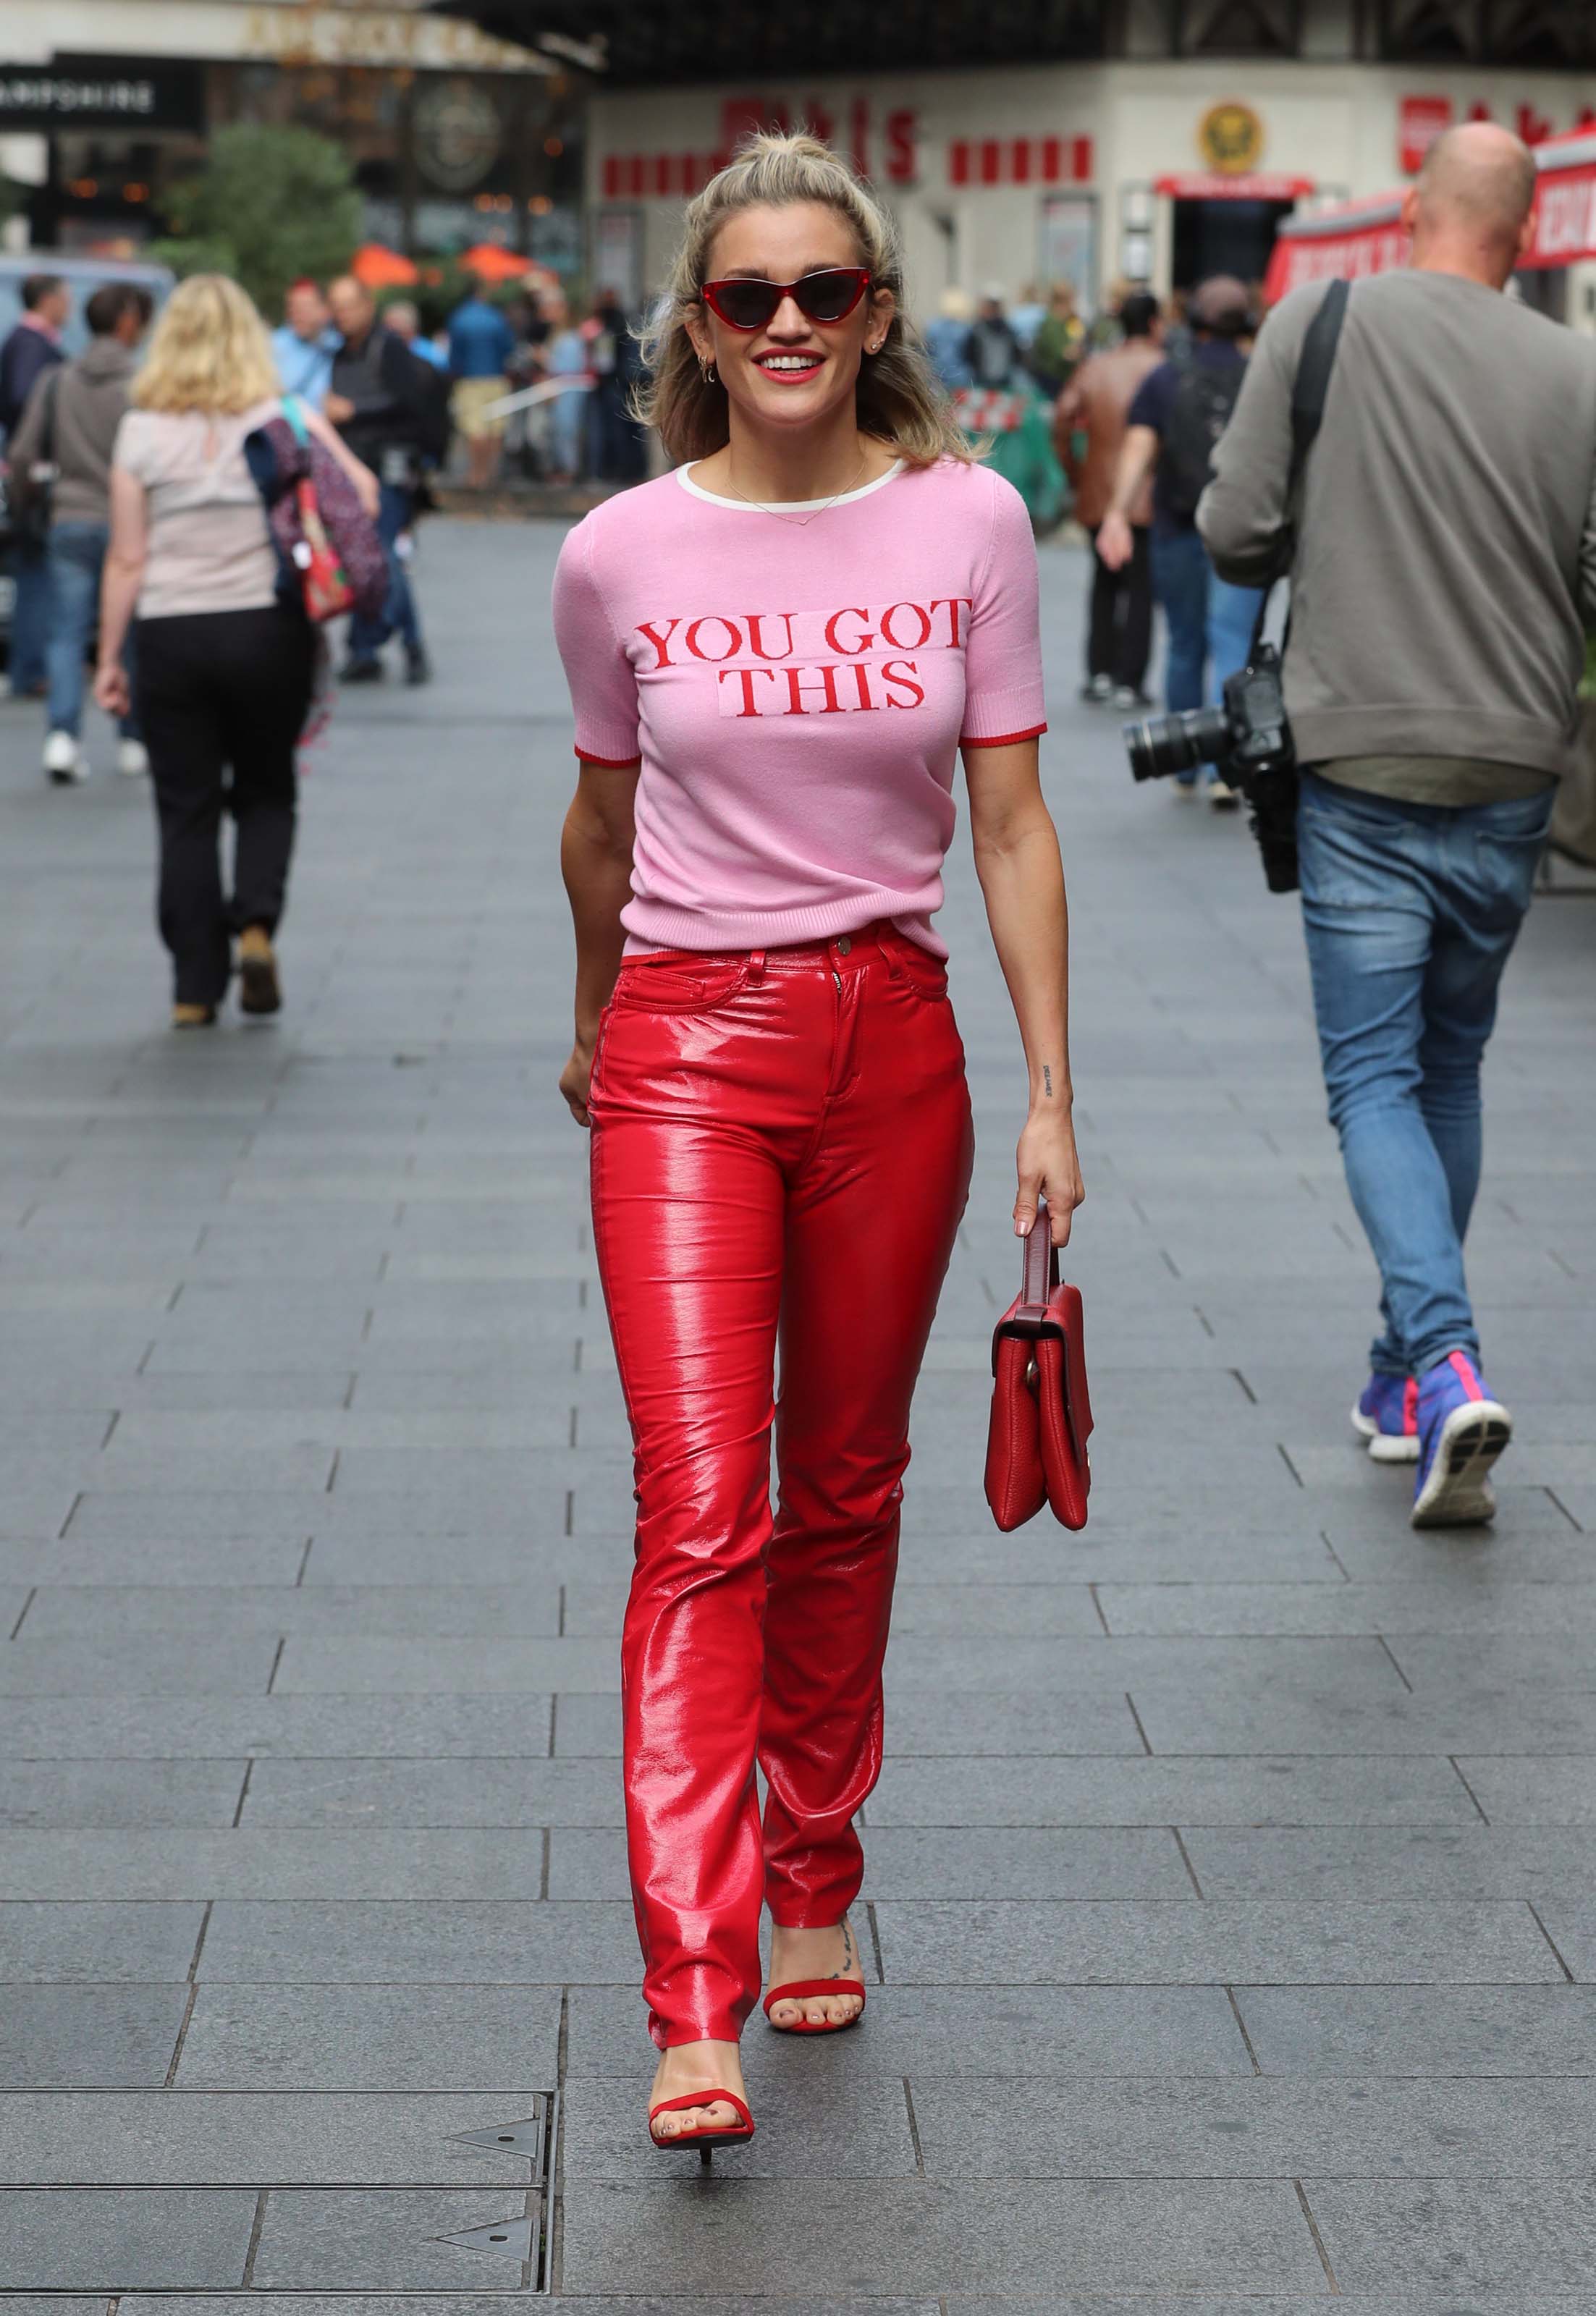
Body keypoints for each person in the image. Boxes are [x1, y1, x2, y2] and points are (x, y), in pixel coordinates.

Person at [552, 128, 1082, 2153]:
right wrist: (589, 1021)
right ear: (699, 322)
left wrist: (1046, 1090)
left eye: (822, 294)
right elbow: (599, 826)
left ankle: (813, 1875)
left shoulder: (968, 524)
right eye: (745, 296)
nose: (785, 325)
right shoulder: (618, 550)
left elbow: (1014, 823)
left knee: (846, 1486)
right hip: (684, 1050)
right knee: (704, 1509)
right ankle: (692, 1997)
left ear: (876, 315)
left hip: (897, 1048)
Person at [1199, 122, 1596, 1526]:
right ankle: (1390, 1377)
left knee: (1371, 1078)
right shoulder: (1576, 368)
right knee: (1448, 1071)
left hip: (1360, 756)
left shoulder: (1322, 320)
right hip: (1507, 768)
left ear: (1417, 210)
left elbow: (1235, 531)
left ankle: (1439, 1368)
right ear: (1527, 229)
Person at [94, 274, 376, 1028]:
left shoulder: (142, 429)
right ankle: (255, 925)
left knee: (184, 808)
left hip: (171, 633)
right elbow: (365, 495)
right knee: (265, 786)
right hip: (267, 629)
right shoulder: (286, 415)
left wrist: (110, 657)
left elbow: (126, 557)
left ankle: (194, 986)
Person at [1097, 274, 1263, 806]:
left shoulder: (1166, 379)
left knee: (1185, 645)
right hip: (1244, 532)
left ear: (1191, 324)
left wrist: (1118, 514)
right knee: (1232, 644)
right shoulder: (1262, 379)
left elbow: (1138, 448)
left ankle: (1184, 760)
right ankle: (1226, 767)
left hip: (1175, 526)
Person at [7, 280, 153, 784]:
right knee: (131, 632)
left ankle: (62, 737)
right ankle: (132, 736)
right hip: (129, 523)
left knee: (65, 633)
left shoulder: (57, 380)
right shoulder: (141, 387)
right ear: (129, 322)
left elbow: (22, 455)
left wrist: (32, 504)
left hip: (68, 516)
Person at [1055, 290, 1162, 707]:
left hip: (1098, 490)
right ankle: (1130, 680)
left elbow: (1062, 421)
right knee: (1141, 586)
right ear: (1155, 324)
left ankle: (1099, 671)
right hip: (1149, 494)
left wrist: (1077, 474)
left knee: (1104, 581)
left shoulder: (1095, 368)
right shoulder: (1165, 369)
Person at [326, 274, 431, 683]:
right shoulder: (340, 355)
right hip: (352, 469)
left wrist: (354, 411)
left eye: (349, 305)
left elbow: (409, 403)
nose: (342, 314)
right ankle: (365, 648)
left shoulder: (388, 348)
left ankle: (410, 642)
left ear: (367, 306)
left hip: (389, 467)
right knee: (360, 557)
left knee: (381, 554)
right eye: (336, 306)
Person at [0, 273, 71, 699]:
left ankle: (30, 663)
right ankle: (30, 665)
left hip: (26, 472)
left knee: (36, 571)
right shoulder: (31, 346)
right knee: (38, 572)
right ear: (47, 300)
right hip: (36, 476)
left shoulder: (21, 342)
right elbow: (26, 403)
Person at [447, 282, 515, 490]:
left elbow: (454, 355)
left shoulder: (459, 318)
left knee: (475, 429)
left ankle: (477, 474)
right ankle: (492, 473)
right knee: (495, 429)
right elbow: (508, 348)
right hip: (497, 378)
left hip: (470, 380)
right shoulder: (497, 317)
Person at [270, 279, 337, 410]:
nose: (298, 314)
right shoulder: (273, 346)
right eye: (292, 307)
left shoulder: (338, 343)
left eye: (305, 307)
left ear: (325, 310)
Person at [1026, 282, 1086, 400]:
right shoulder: (1051, 323)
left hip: (1066, 379)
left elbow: (1078, 341)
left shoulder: (1070, 320)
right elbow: (1066, 354)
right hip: (1054, 380)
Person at [963, 285, 1023, 391]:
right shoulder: (977, 330)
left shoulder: (1009, 331)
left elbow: (1016, 356)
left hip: (1003, 382)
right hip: (982, 382)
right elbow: (969, 355)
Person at [922, 285, 974, 393]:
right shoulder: (965, 329)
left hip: (937, 375)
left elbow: (928, 352)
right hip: (959, 377)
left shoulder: (933, 326)